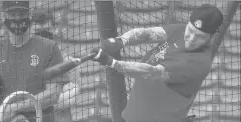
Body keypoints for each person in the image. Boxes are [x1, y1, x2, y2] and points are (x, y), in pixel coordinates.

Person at [90, 4, 223, 122]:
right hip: (130, 116)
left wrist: (111, 62)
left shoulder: (199, 63)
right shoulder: (180, 31)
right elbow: (148, 34)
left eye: (200, 36)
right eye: (191, 30)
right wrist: (121, 41)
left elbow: (151, 72)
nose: (191, 38)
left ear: (212, 37)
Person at [0, 1, 70, 122]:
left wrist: (14, 108)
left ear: (29, 14)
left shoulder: (49, 47)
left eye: (21, 13)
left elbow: (53, 95)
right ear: (3, 16)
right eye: (12, 14)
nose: (17, 18)